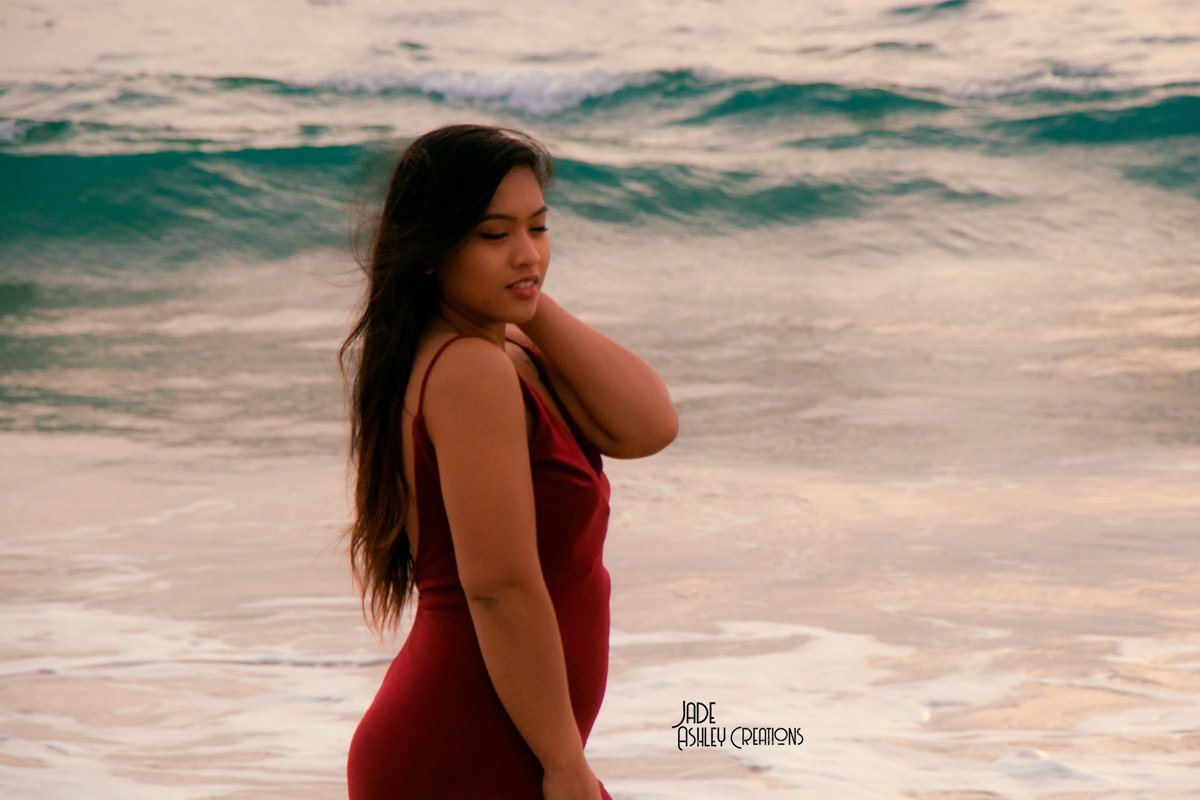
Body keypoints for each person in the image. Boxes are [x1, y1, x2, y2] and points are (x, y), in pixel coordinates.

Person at [340, 124, 678, 799]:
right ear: (432, 250)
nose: (527, 253)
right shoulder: (468, 370)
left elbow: (650, 425)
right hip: (467, 753)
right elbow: (497, 587)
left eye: (539, 228)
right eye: (494, 236)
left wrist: (527, 302)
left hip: (498, 745)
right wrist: (563, 764)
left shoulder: (507, 355)